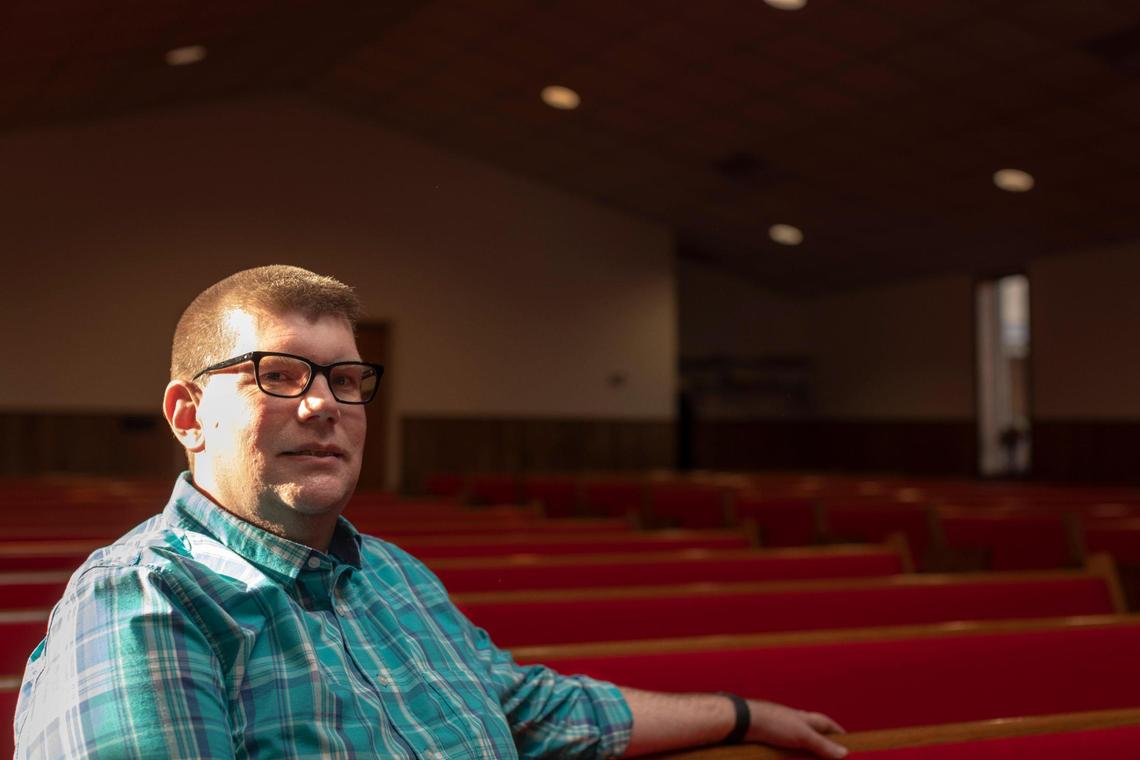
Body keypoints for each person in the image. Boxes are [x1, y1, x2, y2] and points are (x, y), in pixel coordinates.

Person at [15, 265, 847, 759]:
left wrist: (743, 715)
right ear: (188, 415)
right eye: (279, 374)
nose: (323, 406)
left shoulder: (394, 577)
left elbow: (533, 712)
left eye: (345, 380)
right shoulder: (141, 605)